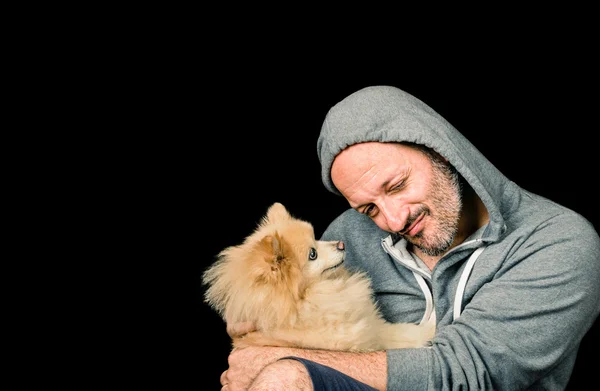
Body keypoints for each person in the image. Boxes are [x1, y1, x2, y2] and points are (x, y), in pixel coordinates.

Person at [219, 85, 600, 390]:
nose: (393, 218)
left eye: (397, 185)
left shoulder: (556, 241)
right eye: (368, 209)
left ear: (441, 149)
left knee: (284, 379)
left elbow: (468, 374)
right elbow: (281, 303)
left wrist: (279, 360)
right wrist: (255, 317)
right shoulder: (349, 235)